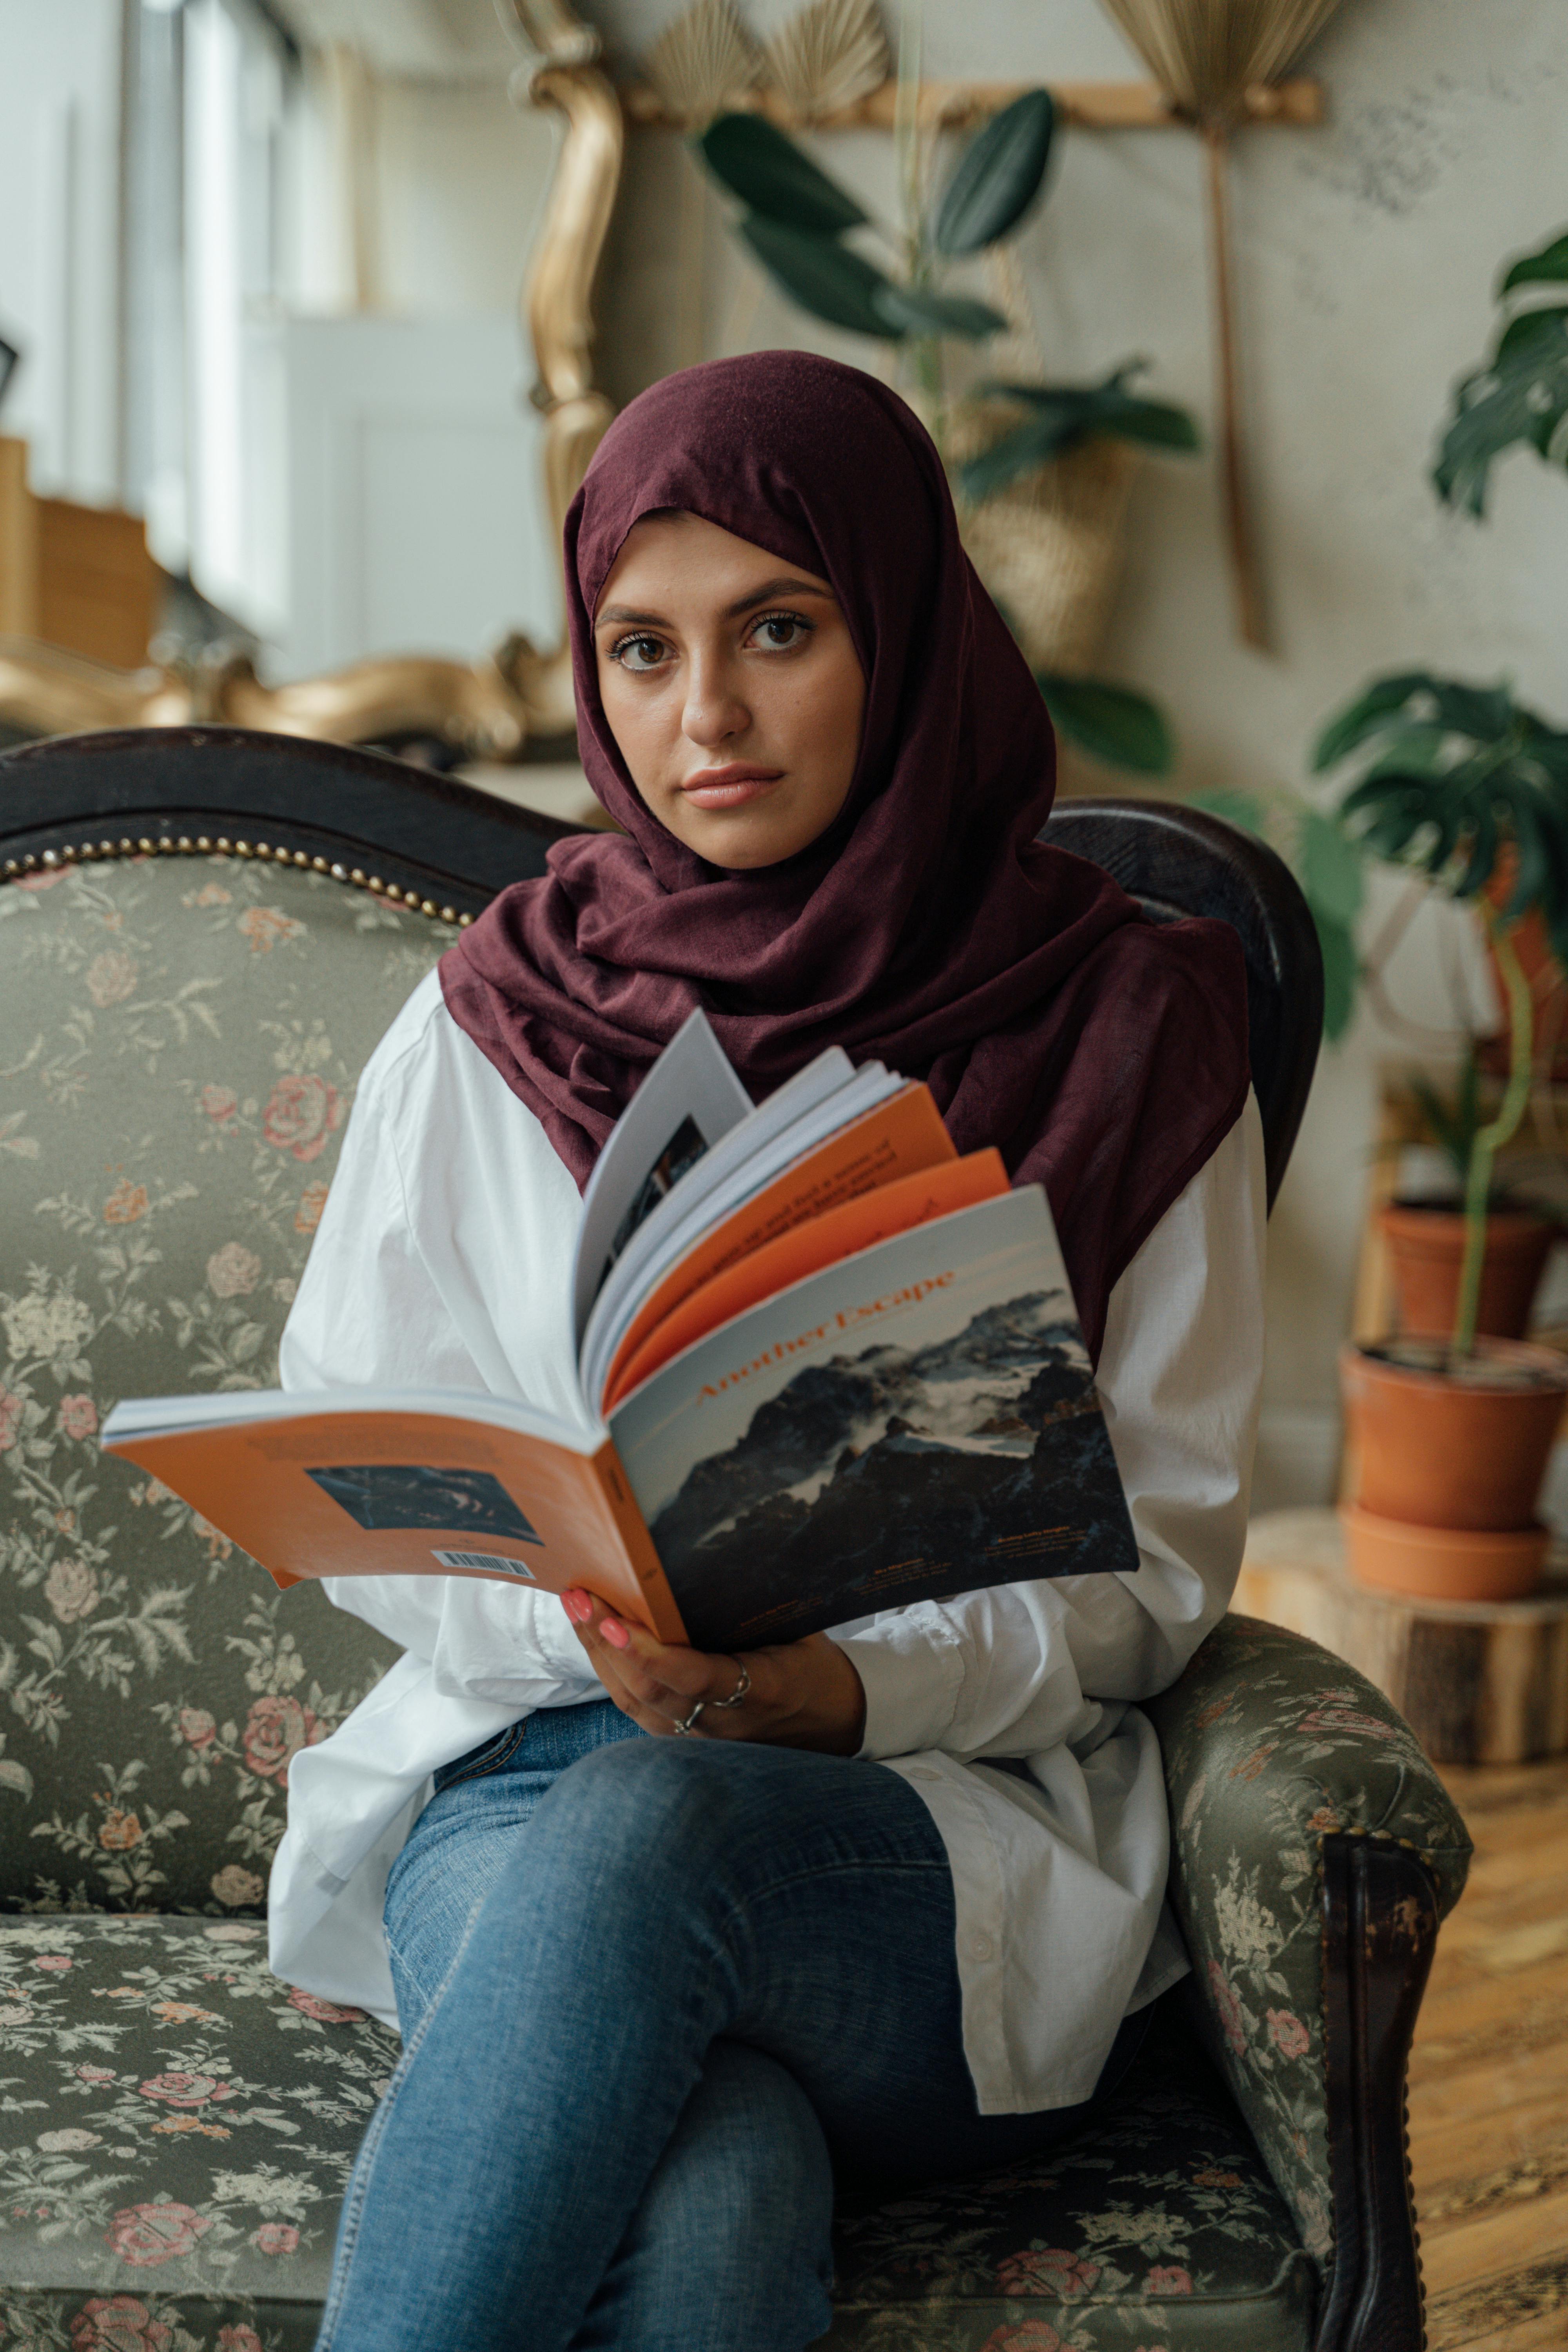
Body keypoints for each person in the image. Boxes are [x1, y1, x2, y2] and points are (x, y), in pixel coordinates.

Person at [270, 350, 1264, 2352]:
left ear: (903, 630)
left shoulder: (1129, 1026)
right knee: (716, 2185)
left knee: (669, 1830)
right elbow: (359, 1479)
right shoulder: (498, 1014)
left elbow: (1149, 1580)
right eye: (639, 649)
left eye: (777, 632)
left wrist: (822, 1692)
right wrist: (594, 1631)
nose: (699, 716)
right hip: (520, 1778)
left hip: (927, 1830)